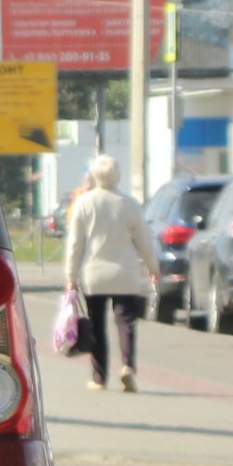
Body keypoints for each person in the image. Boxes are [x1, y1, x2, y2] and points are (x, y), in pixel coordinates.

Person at [64, 155, 159, 393]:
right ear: (118, 175)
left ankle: (99, 378)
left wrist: (70, 277)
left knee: (97, 325)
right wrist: (152, 268)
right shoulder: (129, 203)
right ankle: (127, 366)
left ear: (95, 175)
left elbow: (75, 243)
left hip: (94, 274)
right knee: (126, 323)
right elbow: (144, 240)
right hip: (125, 273)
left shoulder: (84, 203)